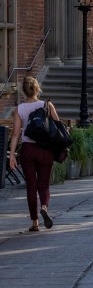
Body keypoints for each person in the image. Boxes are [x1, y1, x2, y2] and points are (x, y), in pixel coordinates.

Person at [8, 76, 59, 231]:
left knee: (31, 186)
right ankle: (44, 206)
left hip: (28, 150)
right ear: (37, 89)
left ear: (24, 91)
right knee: (44, 184)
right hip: (45, 150)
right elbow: (57, 125)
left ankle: (35, 222)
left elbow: (16, 134)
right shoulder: (47, 105)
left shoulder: (20, 109)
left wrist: (11, 155)